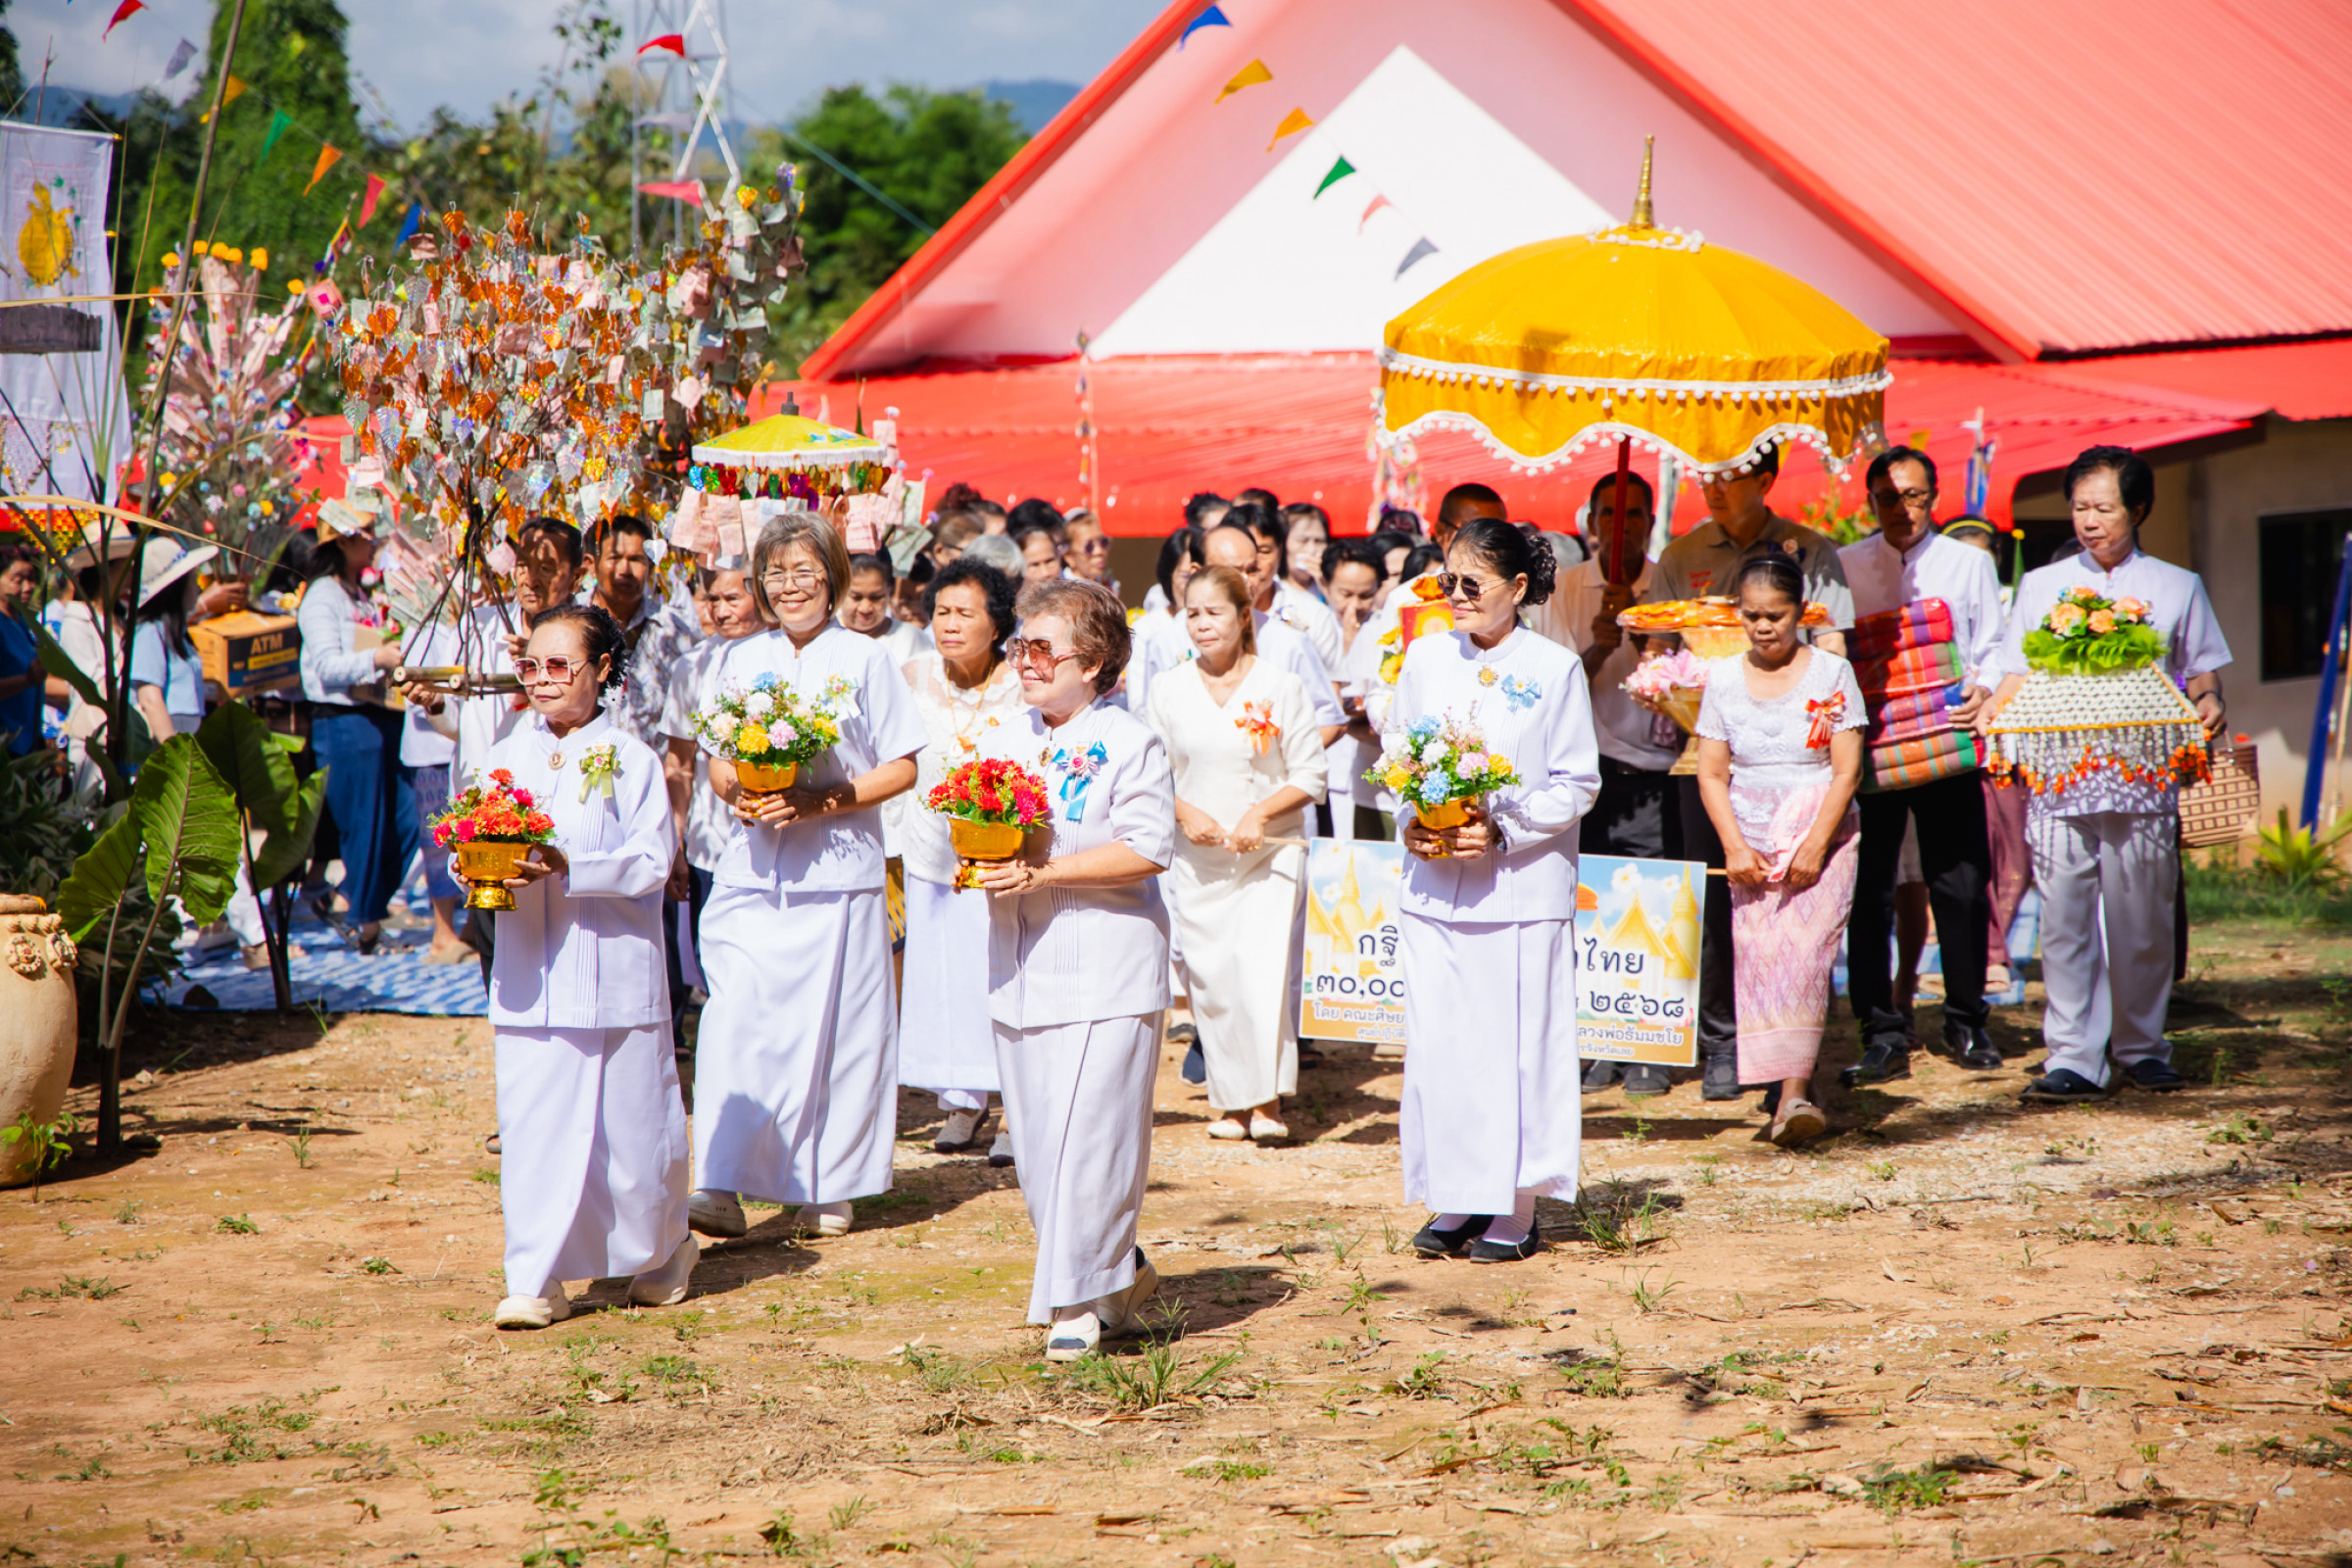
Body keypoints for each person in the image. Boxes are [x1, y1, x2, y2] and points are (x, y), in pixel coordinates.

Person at [690, 514, 927, 1242]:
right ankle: (719, 1181)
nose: (789, 586)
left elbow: (905, 764)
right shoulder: (736, 659)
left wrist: (821, 801)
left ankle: (829, 1184)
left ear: (832, 576)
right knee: (735, 1018)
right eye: (776, 574)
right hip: (752, 869)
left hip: (840, 871)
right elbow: (717, 757)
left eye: (804, 571)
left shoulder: (865, 659)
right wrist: (743, 796)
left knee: (840, 1033)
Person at [1979, 446, 2230, 1102]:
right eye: (2079, 507)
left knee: (2142, 917)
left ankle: (2143, 1049)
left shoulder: (2178, 586)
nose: (2089, 521)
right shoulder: (2040, 585)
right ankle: (2072, 1057)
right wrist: (1991, 716)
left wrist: (2210, 706)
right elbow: (2014, 674)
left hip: (2145, 779)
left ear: (2139, 509)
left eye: (2103, 508)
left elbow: (2203, 674)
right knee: (2064, 919)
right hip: (2061, 779)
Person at [967, 578, 1173, 1358]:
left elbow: (1150, 848)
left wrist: (1044, 874)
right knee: (1043, 1146)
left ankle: (1076, 1304)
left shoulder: (1131, 742)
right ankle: (1115, 1273)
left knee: (1093, 1139)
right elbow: (979, 824)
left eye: (1041, 647)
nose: (1024, 658)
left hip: (1107, 968)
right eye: (1020, 644)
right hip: (1019, 966)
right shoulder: (1006, 733)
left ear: (1092, 663)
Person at [479, 603, 697, 1329]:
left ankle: (662, 1251)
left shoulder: (631, 759)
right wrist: (474, 863)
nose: (541, 681)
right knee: (534, 1127)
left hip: (611, 969)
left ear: (602, 672)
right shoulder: (506, 753)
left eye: (558, 666)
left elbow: (649, 861)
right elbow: (471, 833)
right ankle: (535, 1276)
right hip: (530, 973)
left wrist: (573, 867)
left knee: (632, 1135)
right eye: (530, 666)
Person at [1389, 519, 1599, 1262]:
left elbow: (1579, 781)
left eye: (1470, 584)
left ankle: (1514, 1208)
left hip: (1520, 890)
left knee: (1517, 1049)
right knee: (1443, 1046)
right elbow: (1395, 757)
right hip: (1436, 888)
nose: (1454, 596)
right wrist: (1413, 818)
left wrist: (1505, 828)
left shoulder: (1553, 668)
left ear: (1517, 588)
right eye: (1445, 581)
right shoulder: (1422, 658)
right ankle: (1455, 1198)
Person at [1644, 445, 1855, 1101]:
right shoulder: (1680, 557)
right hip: (1703, 758)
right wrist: (1660, 685)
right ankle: (1721, 1045)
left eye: (1729, 473)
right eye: (1705, 473)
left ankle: (1790, 1071)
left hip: (1804, 767)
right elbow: (1658, 650)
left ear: (1765, 480)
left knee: (1797, 929)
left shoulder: (1810, 549)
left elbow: (1834, 648)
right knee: (1716, 907)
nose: (1712, 485)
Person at [1838, 448, 2006, 1083]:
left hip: (1948, 739)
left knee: (1959, 881)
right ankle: (1880, 1028)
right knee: (1869, 890)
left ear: (1933, 497)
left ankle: (1966, 1019)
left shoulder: (1968, 563)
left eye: (1913, 496)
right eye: (1887, 496)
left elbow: (1993, 645)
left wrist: (1982, 690)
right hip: (1872, 745)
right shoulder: (1846, 565)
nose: (1901, 508)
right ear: (1870, 501)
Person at [1693, 554, 1869, 1146]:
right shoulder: (1721, 678)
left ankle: (1793, 1093)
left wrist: (1818, 842)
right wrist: (1734, 845)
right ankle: (1791, 1085)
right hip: (1752, 833)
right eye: (1752, 616)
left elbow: (1846, 770)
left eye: (1776, 615)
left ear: (1802, 612)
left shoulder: (1830, 673)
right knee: (1762, 957)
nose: (1764, 627)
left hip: (1822, 825)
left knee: (1807, 955)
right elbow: (1712, 772)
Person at [1149, 564, 1325, 1142]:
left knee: (1263, 973)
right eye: (1191, 613)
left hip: (1270, 853)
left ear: (1244, 616)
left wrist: (1260, 813)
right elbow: (1152, 775)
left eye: (1214, 612)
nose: (1201, 624)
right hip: (1199, 858)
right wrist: (1186, 814)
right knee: (1213, 977)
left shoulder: (1281, 684)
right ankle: (1227, 1100)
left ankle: (1267, 1100)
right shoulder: (1167, 689)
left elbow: (1310, 772)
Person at [1556, 473, 1683, 1098]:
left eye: (1634, 515)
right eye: (1610, 513)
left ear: (1650, 521)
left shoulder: (1669, 582)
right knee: (1591, 909)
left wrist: (1648, 653)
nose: (1621, 526)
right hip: (1589, 772)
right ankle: (1598, 1041)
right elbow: (1550, 694)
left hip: (1655, 770)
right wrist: (1597, 650)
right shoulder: (1566, 588)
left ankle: (1650, 1048)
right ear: (1592, 519)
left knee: (1650, 906)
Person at [896, 559, 1026, 1161]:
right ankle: (963, 1100)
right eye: (941, 612)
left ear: (996, 625)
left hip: (1001, 852)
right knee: (943, 978)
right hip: (930, 851)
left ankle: (1015, 1110)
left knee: (999, 973)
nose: (949, 624)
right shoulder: (911, 674)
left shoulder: (1024, 679)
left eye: (964, 613)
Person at [296, 506, 413, 955]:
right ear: (342, 542)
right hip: (343, 722)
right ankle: (363, 921)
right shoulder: (322, 595)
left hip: (379, 716)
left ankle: (359, 905)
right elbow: (325, 666)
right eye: (365, 536)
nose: (374, 542)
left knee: (402, 817)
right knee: (365, 824)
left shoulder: (360, 590)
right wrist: (376, 660)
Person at [662, 562, 760, 965]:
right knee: (715, 958)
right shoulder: (692, 666)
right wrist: (677, 842)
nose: (720, 611)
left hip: (775, 832)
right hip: (711, 843)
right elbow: (680, 763)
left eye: (732, 598)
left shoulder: (785, 653)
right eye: (712, 599)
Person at [1323, 538, 1388, 841]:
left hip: (1371, 768)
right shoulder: (1314, 631)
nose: (1355, 606)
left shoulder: (1387, 632)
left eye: (1366, 595)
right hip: (1326, 772)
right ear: (1326, 586)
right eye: (1345, 594)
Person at [0, 544, 43, 756]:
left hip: (27, 745)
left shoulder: (23, 623)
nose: (28, 587)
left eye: (31, 579)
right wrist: (27, 680)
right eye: (18, 580)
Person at [1281, 503, 1332, 603]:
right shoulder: (1270, 590)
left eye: (1319, 541)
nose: (1312, 550)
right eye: (1303, 541)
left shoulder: (1334, 589)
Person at [1062, 511, 1116, 592]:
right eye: (1088, 547)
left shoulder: (1108, 584)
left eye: (1104, 542)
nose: (1099, 551)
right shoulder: (1063, 591)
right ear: (1069, 556)